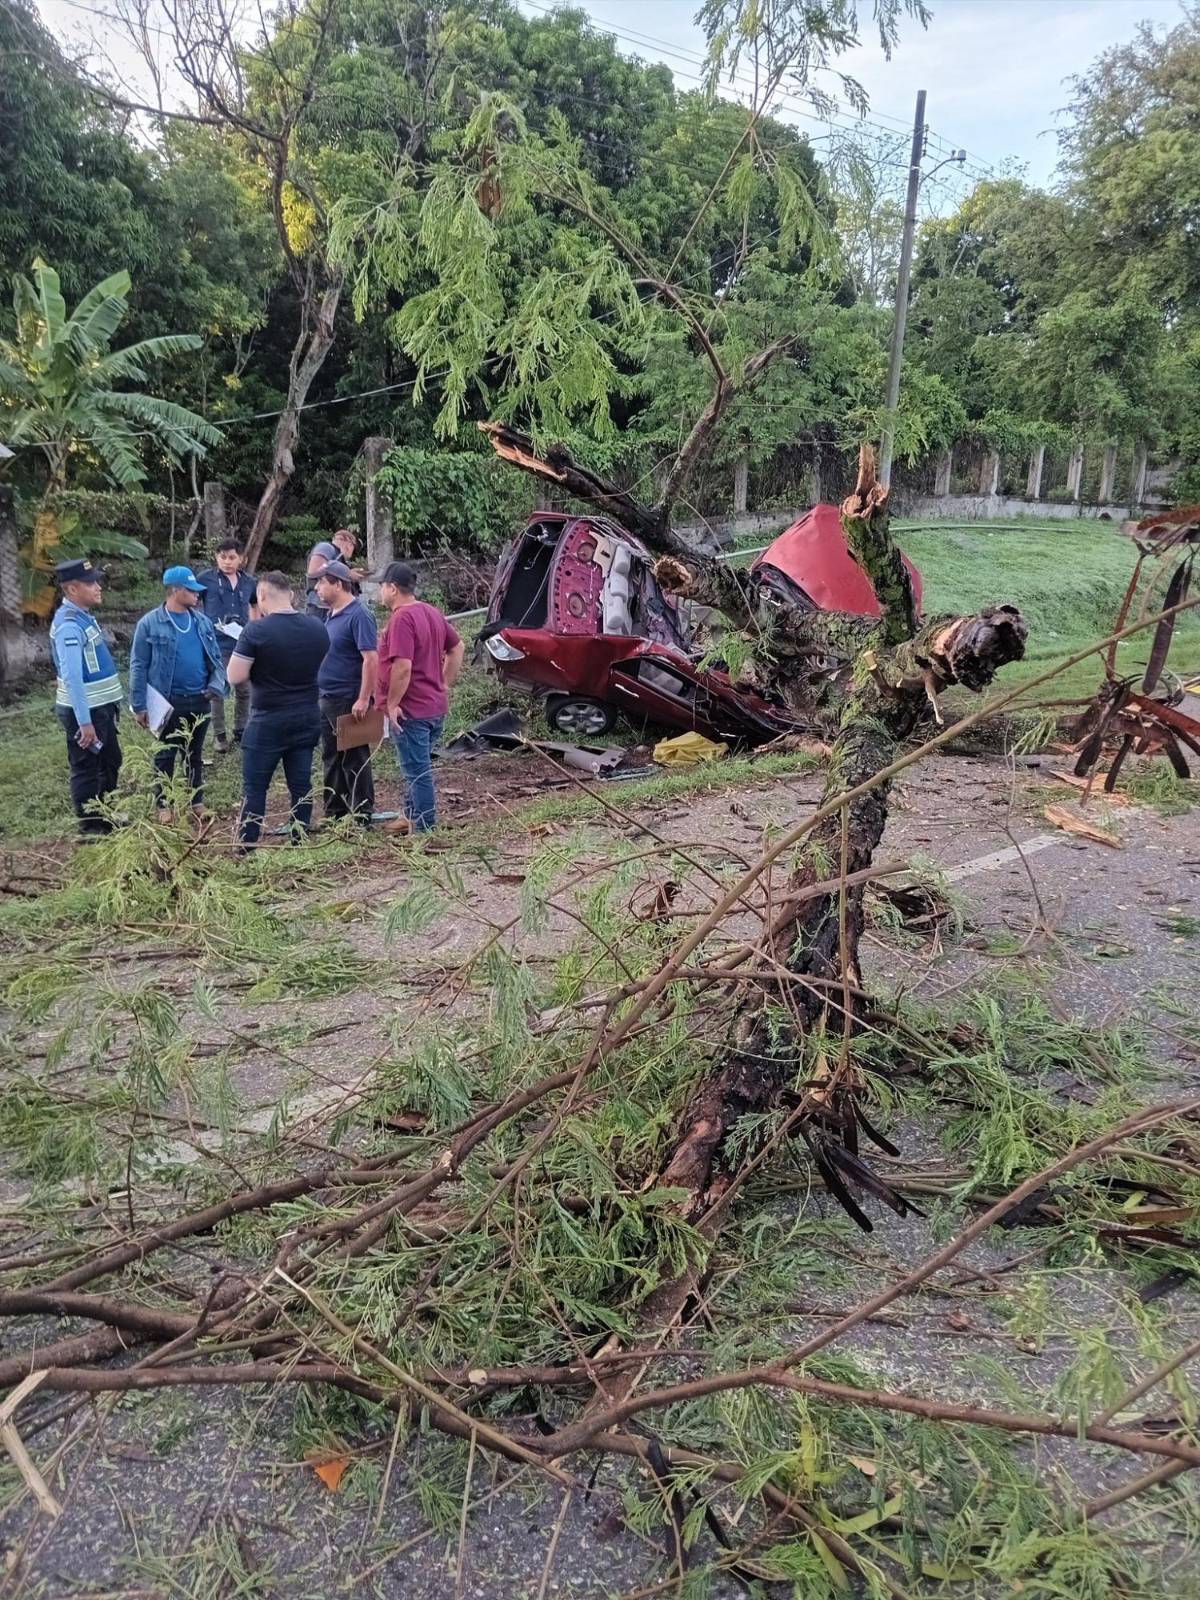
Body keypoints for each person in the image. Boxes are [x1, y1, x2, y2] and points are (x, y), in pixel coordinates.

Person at [226, 571, 330, 849]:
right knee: (300, 782)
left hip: (268, 720)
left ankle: (247, 844)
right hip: (307, 715)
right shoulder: (318, 627)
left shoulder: (256, 631)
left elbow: (234, 676)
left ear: (261, 597)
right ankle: (300, 837)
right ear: (292, 596)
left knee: (255, 786)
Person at [130, 566, 227, 822]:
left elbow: (216, 659)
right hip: (166, 702)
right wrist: (139, 704)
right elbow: (138, 664)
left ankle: (197, 801)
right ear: (175, 590)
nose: (197, 595)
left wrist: (216, 687)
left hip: (199, 699)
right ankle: (163, 805)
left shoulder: (201, 622)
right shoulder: (150, 624)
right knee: (165, 754)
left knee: (193, 755)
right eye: (191, 590)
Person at [377, 560, 464, 834]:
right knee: (418, 767)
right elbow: (457, 647)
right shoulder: (430, 611)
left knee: (418, 773)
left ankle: (425, 831)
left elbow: (402, 667)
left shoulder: (402, 618)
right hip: (433, 707)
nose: (380, 592)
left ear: (392, 588)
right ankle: (410, 817)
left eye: (381, 586)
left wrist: (391, 704)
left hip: (412, 711)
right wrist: (443, 684)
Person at [48, 557, 124, 840]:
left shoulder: (82, 617)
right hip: (86, 711)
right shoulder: (69, 625)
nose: (98, 587)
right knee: (86, 766)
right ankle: (91, 826)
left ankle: (106, 814)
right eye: (91, 583)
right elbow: (73, 678)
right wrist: (84, 722)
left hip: (100, 708)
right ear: (72, 590)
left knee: (109, 760)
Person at [314, 559, 378, 824]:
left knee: (354, 756)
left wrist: (363, 698)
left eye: (321, 582)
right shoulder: (331, 615)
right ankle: (335, 812)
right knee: (331, 756)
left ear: (338, 584)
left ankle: (362, 813)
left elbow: (371, 658)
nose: (317, 587)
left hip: (348, 697)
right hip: (327, 696)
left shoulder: (359, 614)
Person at [197, 538, 259, 753]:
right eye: (222, 557)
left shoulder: (249, 582)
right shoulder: (206, 579)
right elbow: (192, 600)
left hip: (242, 644)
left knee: (245, 689)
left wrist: (255, 627)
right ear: (216, 558)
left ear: (241, 558)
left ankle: (241, 730)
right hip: (216, 643)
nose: (227, 562)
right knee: (217, 690)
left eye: (232, 557)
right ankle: (219, 736)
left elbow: (255, 604)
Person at [304, 527, 363, 617]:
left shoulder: (337, 556)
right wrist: (348, 574)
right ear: (349, 544)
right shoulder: (326, 547)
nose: (352, 551)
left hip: (330, 607)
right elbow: (314, 571)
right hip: (320, 607)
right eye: (353, 546)